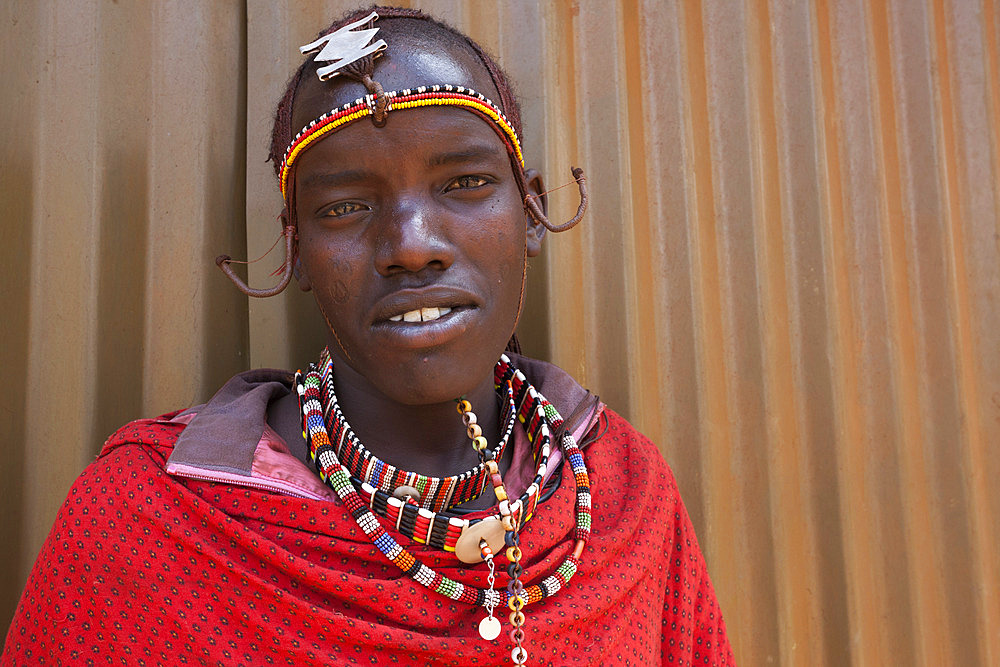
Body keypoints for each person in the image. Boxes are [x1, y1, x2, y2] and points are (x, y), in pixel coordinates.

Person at [3, 7, 733, 665]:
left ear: (532, 213)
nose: (411, 245)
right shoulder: (143, 526)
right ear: (297, 253)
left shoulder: (624, 495)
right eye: (347, 205)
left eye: (465, 183)